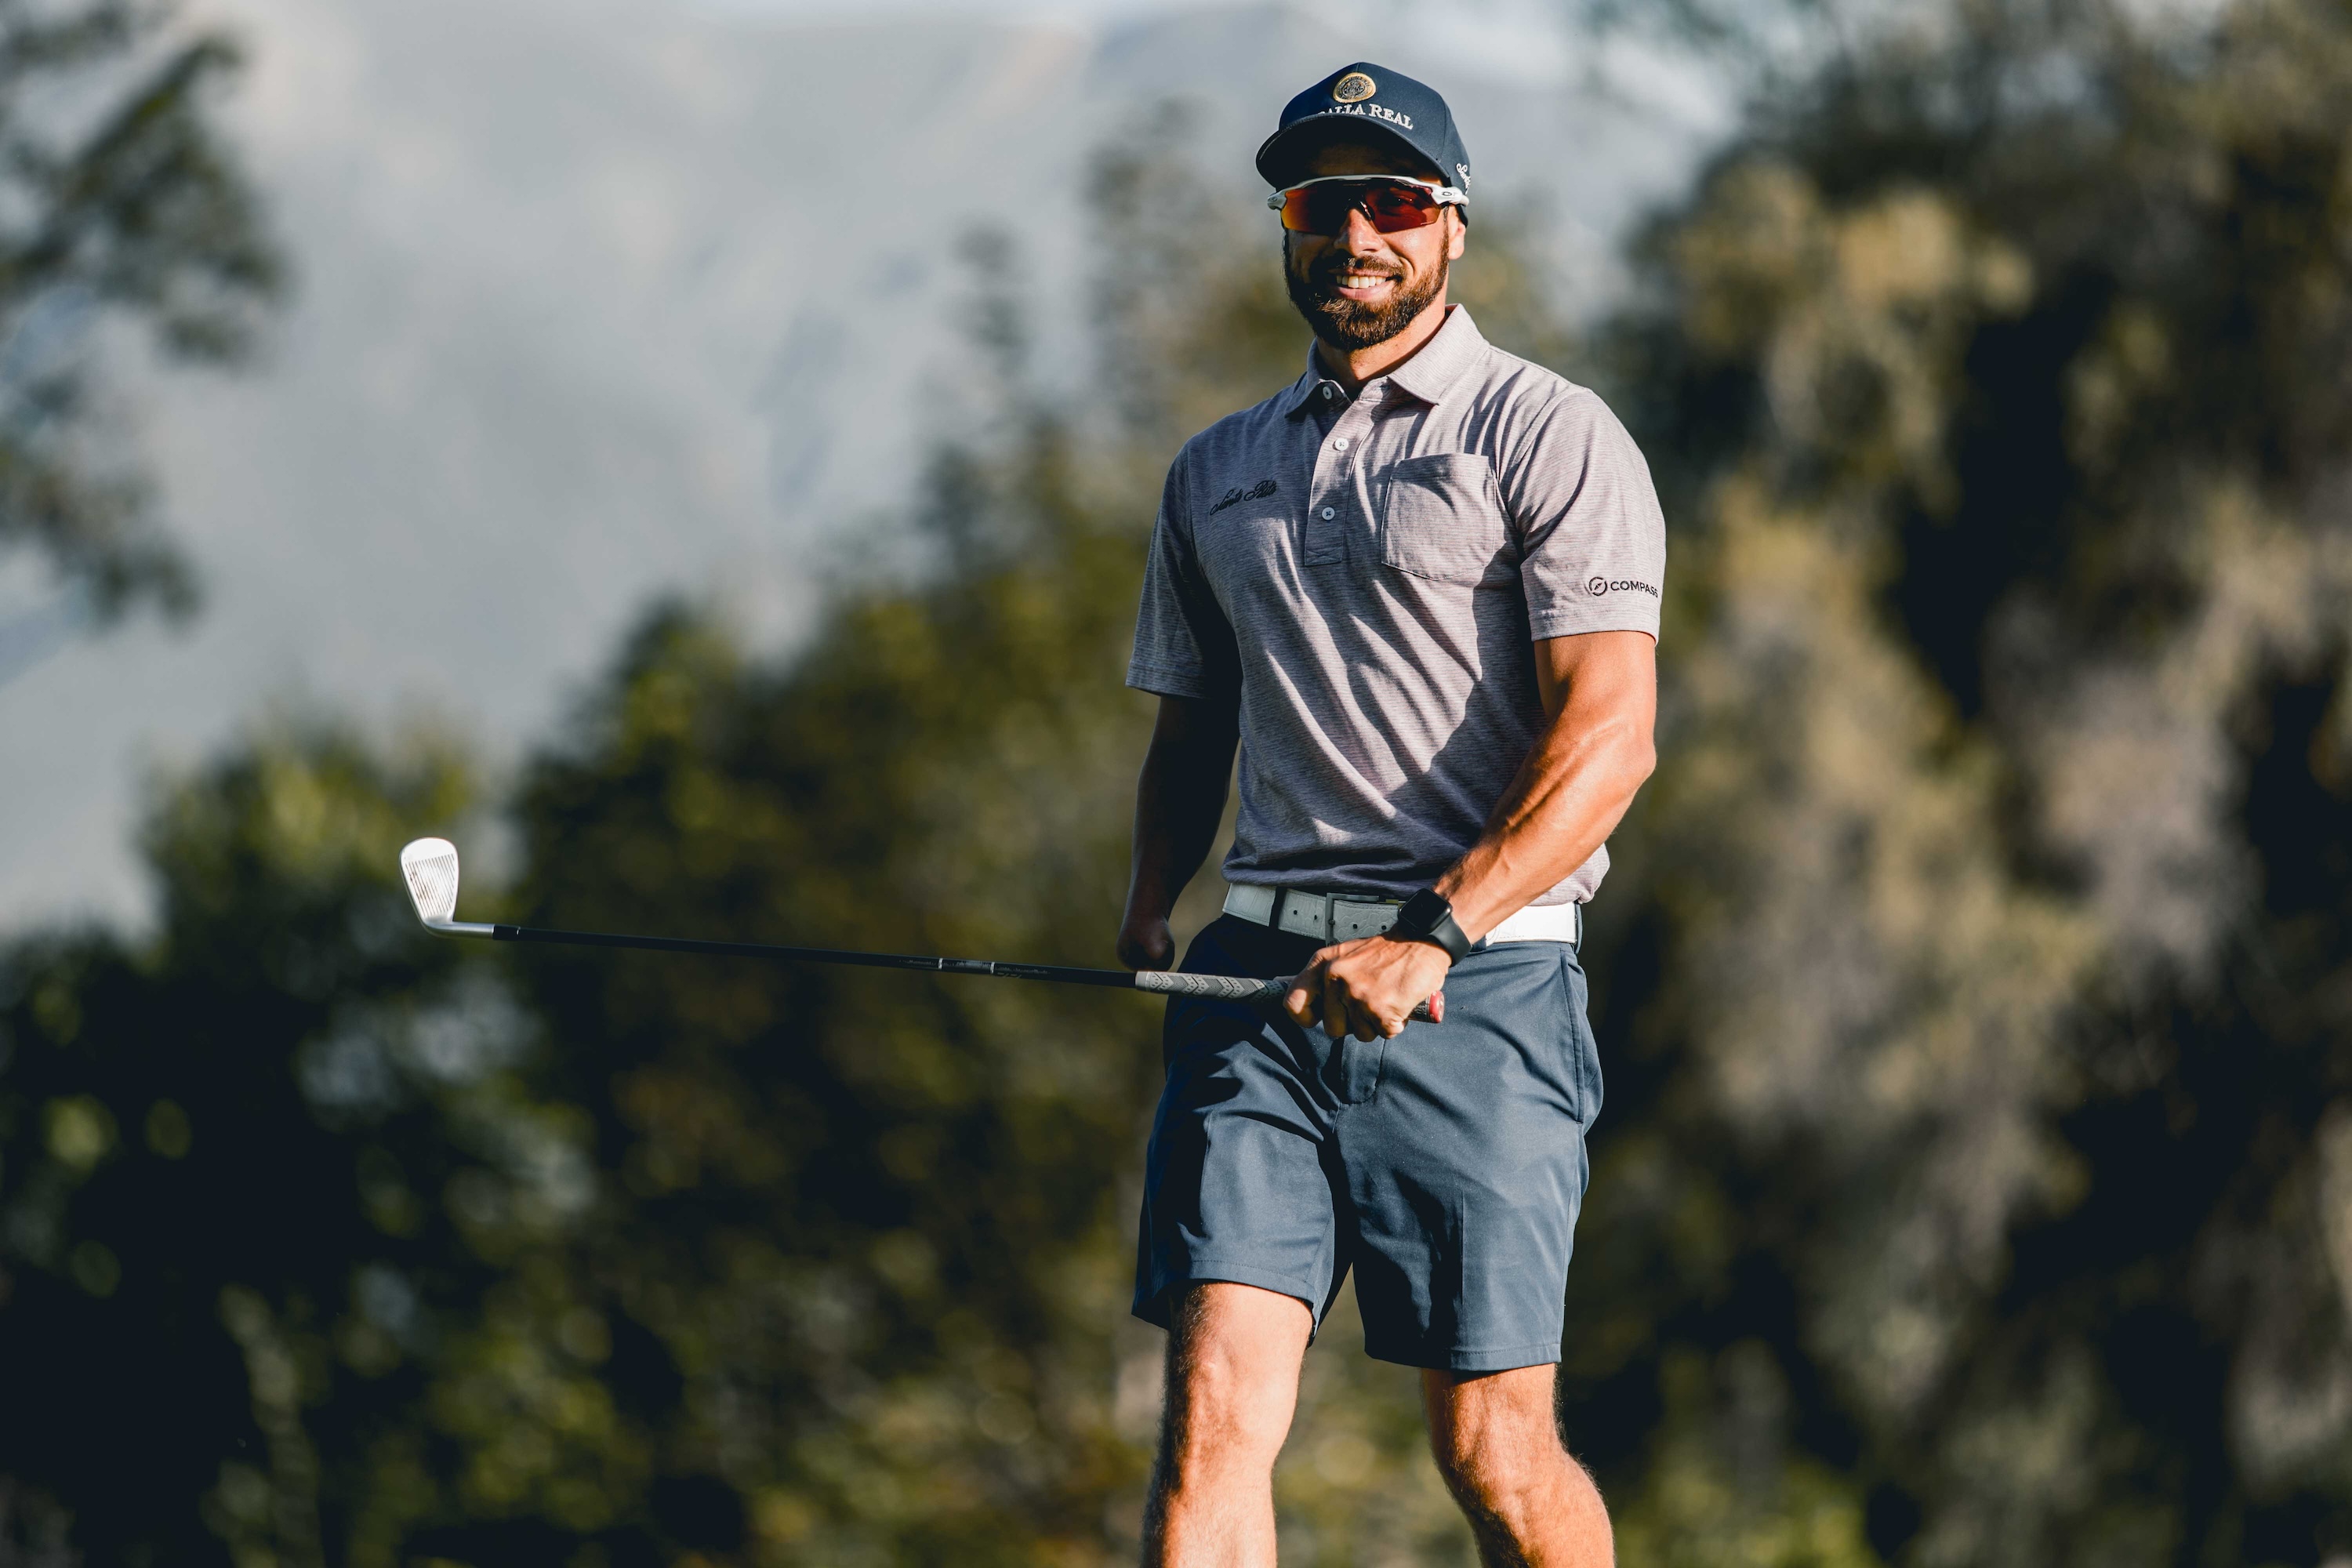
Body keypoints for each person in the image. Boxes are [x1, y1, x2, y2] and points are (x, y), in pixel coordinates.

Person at [1115, 60, 1665, 1566]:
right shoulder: (1215, 470)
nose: (1355, 230)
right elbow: (1196, 716)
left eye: (1394, 200)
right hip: (1256, 992)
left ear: (1451, 229)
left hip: (1480, 995)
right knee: (1212, 1423)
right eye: (1319, 199)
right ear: (1286, 225)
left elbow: (1610, 744)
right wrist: (1155, 890)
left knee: (1495, 1450)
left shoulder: (1548, 436)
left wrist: (1438, 930)